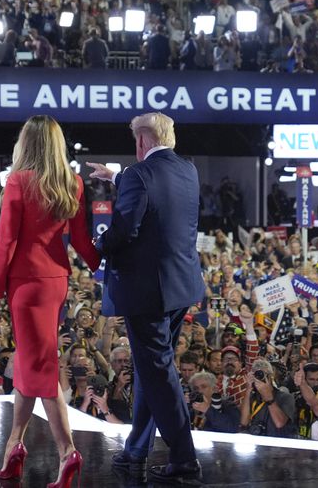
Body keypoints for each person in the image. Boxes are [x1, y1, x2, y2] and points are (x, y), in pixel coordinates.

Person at [87, 112, 205, 483]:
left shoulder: (139, 174)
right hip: (179, 288)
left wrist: (98, 244)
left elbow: (124, 231)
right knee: (152, 371)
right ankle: (136, 449)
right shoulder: (188, 170)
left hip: (146, 292)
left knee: (157, 373)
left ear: (141, 141)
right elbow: (158, 192)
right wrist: (117, 175)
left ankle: (184, 461)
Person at [0, 115, 101, 488]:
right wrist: (102, 265)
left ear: (26, 144)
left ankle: (68, 452)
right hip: (55, 281)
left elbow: (6, 243)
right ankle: (14, 445)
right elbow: (82, 241)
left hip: (25, 283)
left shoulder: (17, 182)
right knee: (28, 364)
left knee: (41, 369)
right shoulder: (73, 183)